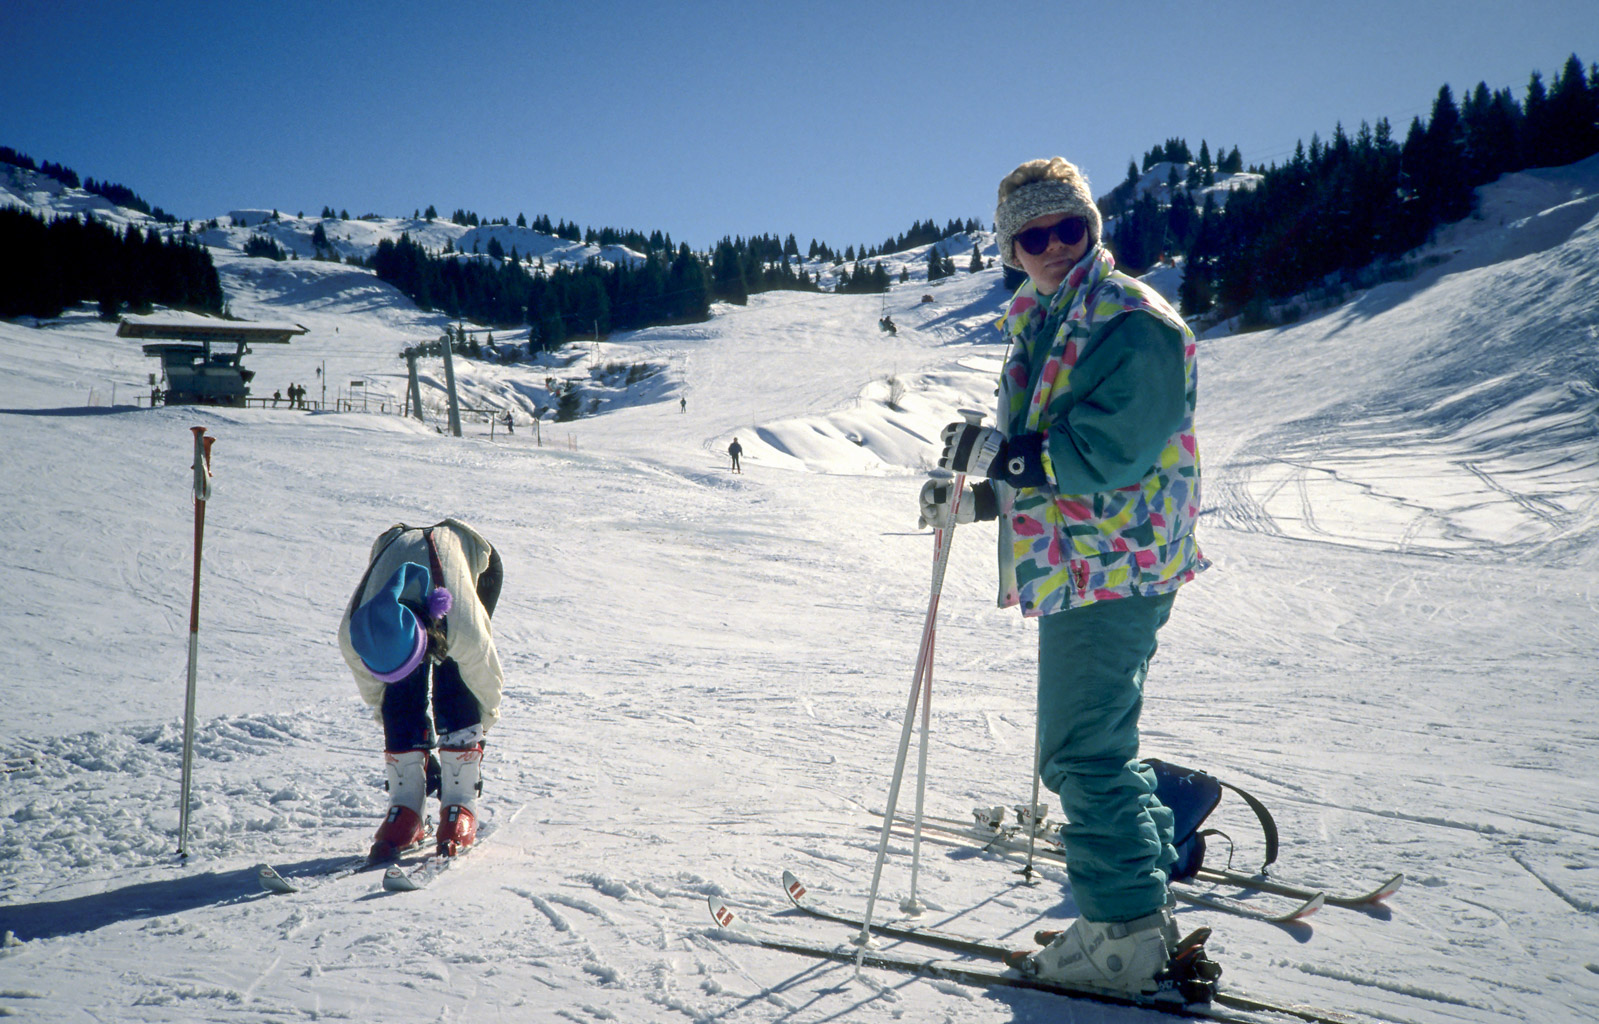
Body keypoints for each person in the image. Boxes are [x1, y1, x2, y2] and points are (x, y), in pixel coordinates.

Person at [920, 156, 1206, 994]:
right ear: (1010, 250)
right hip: (1088, 559)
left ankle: (1121, 937)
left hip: (1114, 561)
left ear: (1092, 229)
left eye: (1067, 228)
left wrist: (999, 455)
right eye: (1031, 236)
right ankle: (1139, 888)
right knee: (1092, 743)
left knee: (1081, 753)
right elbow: (1054, 456)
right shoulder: (1048, 318)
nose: (1052, 246)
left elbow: (1109, 452)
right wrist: (981, 499)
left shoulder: (1130, 321)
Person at [338, 519, 505, 861]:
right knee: (398, 695)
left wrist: (469, 743)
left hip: (471, 566)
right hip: (397, 559)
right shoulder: (355, 636)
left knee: (457, 680)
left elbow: (486, 685)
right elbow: (380, 698)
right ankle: (407, 809)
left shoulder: (463, 629)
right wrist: (406, 743)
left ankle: (459, 804)